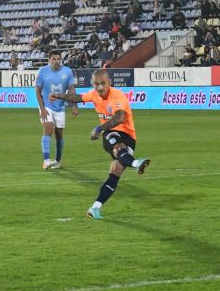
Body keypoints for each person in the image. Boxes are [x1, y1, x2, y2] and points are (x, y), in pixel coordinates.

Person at [49, 69, 150, 219]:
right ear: (92, 84)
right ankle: (136, 163)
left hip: (128, 135)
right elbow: (77, 97)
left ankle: (95, 207)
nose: (100, 87)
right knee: (118, 146)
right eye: (96, 84)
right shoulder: (93, 94)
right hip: (110, 132)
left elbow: (120, 118)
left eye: (103, 83)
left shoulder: (117, 96)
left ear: (110, 83)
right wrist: (58, 95)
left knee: (115, 172)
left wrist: (99, 128)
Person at [34, 50, 77, 169]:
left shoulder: (67, 71)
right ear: (49, 60)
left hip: (60, 107)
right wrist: (42, 108)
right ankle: (46, 160)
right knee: (48, 128)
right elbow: (37, 90)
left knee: (59, 134)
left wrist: (75, 105)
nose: (56, 61)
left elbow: (71, 89)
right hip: (47, 106)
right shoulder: (43, 71)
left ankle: (57, 161)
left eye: (58, 59)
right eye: (53, 59)